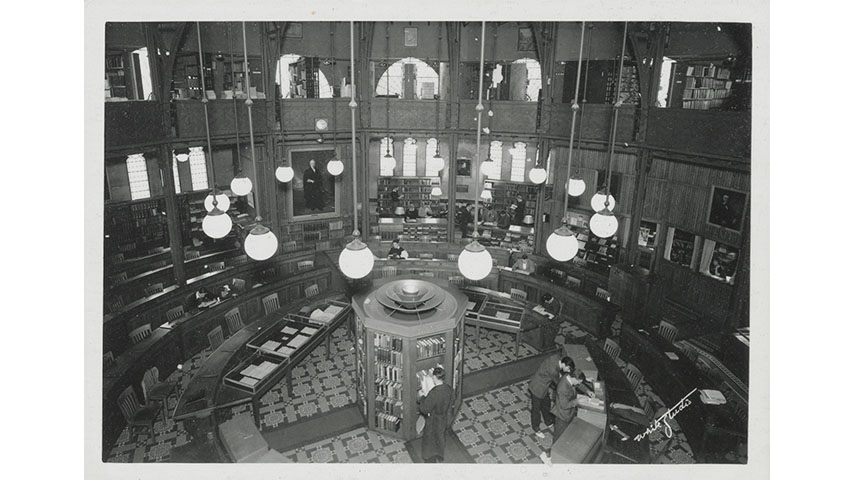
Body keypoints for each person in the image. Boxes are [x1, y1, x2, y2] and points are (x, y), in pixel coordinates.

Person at [539, 357, 595, 465]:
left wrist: (587, 391)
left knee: (564, 435)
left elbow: (579, 383)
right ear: (573, 378)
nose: (578, 383)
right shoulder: (562, 388)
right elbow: (564, 405)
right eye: (577, 381)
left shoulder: (569, 377)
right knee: (558, 437)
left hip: (568, 414)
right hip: (562, 415)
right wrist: (577, 401)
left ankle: (552, 454)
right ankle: (548, 456)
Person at [417, 366, 454, 463]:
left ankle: (429, 458)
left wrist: (421, 398)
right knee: (440, 437)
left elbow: (424, 409)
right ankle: (439, 455)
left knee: (429, 440)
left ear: (434, 378)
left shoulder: (434, 393)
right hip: (443, 418)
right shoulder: (448, 389)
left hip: (433, 420)